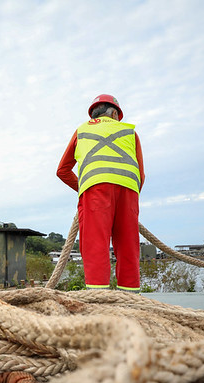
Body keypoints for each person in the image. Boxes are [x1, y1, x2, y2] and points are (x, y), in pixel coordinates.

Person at [56, 94, 145, 292]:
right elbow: (141, 174)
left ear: (93, 114)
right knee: (128, 247)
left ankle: (99, 299)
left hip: (95, 190)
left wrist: (84, 186)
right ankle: (131, 300)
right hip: (129, 190)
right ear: (115, 113)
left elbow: (62, 170)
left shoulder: (82, 130)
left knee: (96, 245)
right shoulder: (130, 132)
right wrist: (128, 196)